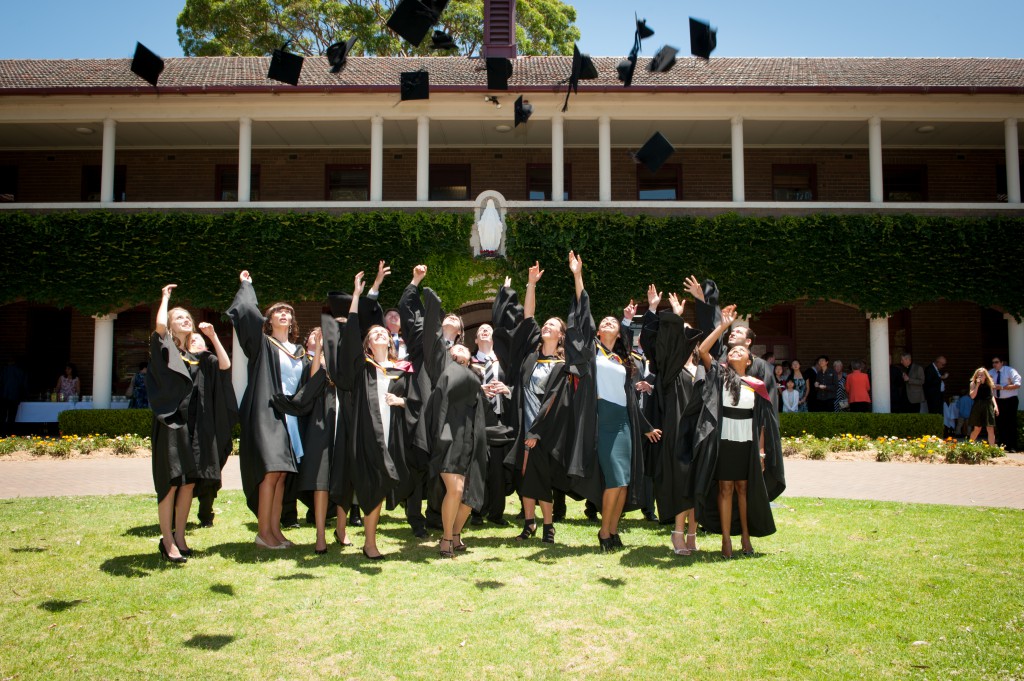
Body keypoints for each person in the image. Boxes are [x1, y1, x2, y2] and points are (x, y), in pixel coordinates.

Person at [566, 253, 661, 552]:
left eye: (612, 322)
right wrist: (577, 276)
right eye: (603, 321)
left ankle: (613, 530)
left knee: (623, 482)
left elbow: (630, 398)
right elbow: (582, 317)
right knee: (614, 478)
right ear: (598, 331)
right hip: (602, 420)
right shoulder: (590, 354)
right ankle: (603, 534)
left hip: (623, 422)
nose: (607, 322)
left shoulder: (623, 360)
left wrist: (643, 426)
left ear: (618, 332)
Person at [228, 270, 327, 550]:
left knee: (283, 473)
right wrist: (247, 285)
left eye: (288, 312)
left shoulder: (297, 351)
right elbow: (246, 312)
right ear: (268, 320)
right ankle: (263, 533)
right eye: (278, 311)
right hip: (267, 412)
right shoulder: (262, 345)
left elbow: (311, 378)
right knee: (271, 471)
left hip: (290, 416)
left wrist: (317, 348)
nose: (284, 314)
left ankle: (275, 530)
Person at [146, 284, 235, 563]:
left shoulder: (197, 356)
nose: (185, 319)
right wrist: (165, 298)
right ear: (171, 325)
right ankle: (167, 540)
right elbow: (160, 325)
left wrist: (212, 336)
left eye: (188, 317)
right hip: (172, 423)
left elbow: (224, 365)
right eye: (179, 317)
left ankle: (181, 538)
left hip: (195, 427)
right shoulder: (165, 349)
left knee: (187, 484)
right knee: (171, 482)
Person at [409, 275, 494, 558]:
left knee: (470, 496)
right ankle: (446, 539)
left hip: (472, 435)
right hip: (448, 433)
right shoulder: (441, 364)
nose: (459, 350)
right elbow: (432, 335)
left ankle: (456, 534)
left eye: (462, 349)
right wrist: (433, 303)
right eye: (454, 347)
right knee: (455, 488)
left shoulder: (474, 375)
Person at [494, 259, 577, 545]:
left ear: (561, 335)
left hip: (546, 428)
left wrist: (537, 431)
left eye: (552, 325)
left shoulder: (562, 365)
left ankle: (548, 525)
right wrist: (530, 285)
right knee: (525, 473)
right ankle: (529, 523)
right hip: (524, 422)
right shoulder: (532, 353)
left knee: (540, 475)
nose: (546, 326)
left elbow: (557, 401)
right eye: (546, 324)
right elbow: (528, 317)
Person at [693, 304, 785, 559]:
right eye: (732, 349)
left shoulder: (756, 384)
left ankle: (745, 536)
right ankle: (725, 540)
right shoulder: (720, 375)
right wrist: (723, 326)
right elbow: (702, 350)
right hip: (724, 441)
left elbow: (763, 422)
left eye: (740, 350)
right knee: (725, 489)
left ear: (749, 359)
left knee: (744, 490)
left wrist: (762, 452)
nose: (734, 351)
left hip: (747, 442)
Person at [337, 270, 415, 560]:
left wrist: (402, 401)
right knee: (368, 483)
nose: (381, 332)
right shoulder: (362, 367)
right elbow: (350, 337)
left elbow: (416, 402)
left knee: (379, 485)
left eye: (384, 332)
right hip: (365, 432)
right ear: (368, 344)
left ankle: (367, 538)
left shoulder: (401, 369)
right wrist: (356, 297)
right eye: (374, 333)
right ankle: (365, 540)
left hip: (391, 434)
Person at [640, 285, 704, 555]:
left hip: (700, 433)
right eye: (679, 330)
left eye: (685, 330)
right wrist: (658, 311)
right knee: (681, 481)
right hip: (678, 433)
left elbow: (714, 336)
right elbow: (658, 343)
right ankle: (678, 532)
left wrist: (699, 302)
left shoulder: (703, 367)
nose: (681, 333)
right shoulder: (670, 371)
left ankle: (692, 533)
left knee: (697, 481)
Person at [470, 322, 514, 526]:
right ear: (476, 340)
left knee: (497, 467)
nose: (484, 330)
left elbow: (518, 386)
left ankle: (496, 513)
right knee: (478, 465)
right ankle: (476, 511)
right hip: (476, 419)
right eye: (480, 331)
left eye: (488, 329)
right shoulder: (468, 363)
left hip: (499, 417)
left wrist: (507, 389)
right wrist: (479, 390)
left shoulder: (503, 363)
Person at [990, 356, 1020, 452]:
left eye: (997, 362)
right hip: (998, 401)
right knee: (1000, 423)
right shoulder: (991, 372)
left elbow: (1017, 384)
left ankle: (1012, 446)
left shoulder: (1010, 371)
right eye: (993, 362)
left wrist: (1003, 387)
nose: (995, 364)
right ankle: (1003, 444)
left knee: (1011, 423)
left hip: (1010, 400)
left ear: (1002, 362)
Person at [967, 367, 999, 446]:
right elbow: (972, 396)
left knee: (990, 428)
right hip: (978, 405)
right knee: (977, 428)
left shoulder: (989, 383)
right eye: (978, 375)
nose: (980, 376)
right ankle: (969, 445)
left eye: (982, 375)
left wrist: (995, 406)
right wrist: (977, 385)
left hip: (988, 405)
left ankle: (992, 449)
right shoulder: (973, 383)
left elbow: (991, 396)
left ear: (985, 376)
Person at [1, 359, 27, 435]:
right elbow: (24, 385)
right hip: (15, 396)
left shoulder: (3, 370)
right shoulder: (21, 371)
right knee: (12, 416)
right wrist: (24, 396)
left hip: (3, 396)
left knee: (2, 415)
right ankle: (9, 433)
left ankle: (2, 432)